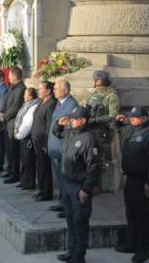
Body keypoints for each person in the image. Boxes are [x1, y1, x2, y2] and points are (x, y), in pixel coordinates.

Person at [114, 106, 149, 263]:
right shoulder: (130, 130)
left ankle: (143, 249)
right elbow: (120, 131)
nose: (132, 119)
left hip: (143, 181)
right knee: (131, 213)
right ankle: (132, 243)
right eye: (131, 116)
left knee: (142, 216)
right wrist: (118, 123)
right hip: (130, 179)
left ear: (145, 118)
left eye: (136, 117)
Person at [53, 106, 99, 263]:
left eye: (74, 119)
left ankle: (79, 256)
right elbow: (56, 132)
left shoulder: (89, 139)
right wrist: (59, 124)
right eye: (71, 119)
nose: (71, 121)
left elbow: (93, 167)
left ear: (83, 121)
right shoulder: (71, 133)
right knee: (70, 220)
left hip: (79, 187)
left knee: (80, 222)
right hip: (67, 184)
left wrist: (86, 188)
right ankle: (71, 251)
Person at [48, 77, 78, 216]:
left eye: (56, 89)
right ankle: (62, 202)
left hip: (62, 147)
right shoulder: (59, 103)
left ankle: (69, 207)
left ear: (65, 91)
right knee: (59, 178)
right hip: (55, 147)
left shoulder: (71, 104)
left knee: (66, 178)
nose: (53, 91)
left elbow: (69, 127)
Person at [86, 70, 119, 166]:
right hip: (90, 129)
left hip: (102, 130)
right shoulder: (94, 94)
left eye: (97, 80)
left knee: (101, 158)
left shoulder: (111, 96)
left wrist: (96, 120)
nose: (95, 83)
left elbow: (113, 115)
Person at [0, 67, 26, 184]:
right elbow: (6, 102)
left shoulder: (21, 89)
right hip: (7, 122)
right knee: (9, 149)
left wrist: (5, 116)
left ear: (15, 76)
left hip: (13, 122)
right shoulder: (11, 87)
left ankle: (14, 174)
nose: (8, 77)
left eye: (10, 75)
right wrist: (2, 112)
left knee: (14, 150)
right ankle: (9, 170)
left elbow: (16, 107)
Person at [31, 80, 56, 201]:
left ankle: (46, 192)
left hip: (43, 140)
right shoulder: (41, 101)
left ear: (48, 91)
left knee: (45, 166)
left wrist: (46, 143)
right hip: (37, 139)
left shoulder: (51, 103)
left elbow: (49, 125)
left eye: (41, 89)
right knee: (40, 165)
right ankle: (40, 188)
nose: (39, 91)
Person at [14, 86, 40, 191]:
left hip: (27, 137)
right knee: (24, 161)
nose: (23, 96)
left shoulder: (33, 106)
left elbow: (28, 123)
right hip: (21, 135)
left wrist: (19, 134)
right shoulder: (27, 104)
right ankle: (23, 180)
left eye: (25, 94)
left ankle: (29, 183)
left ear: (30, 96)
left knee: (28, 161)